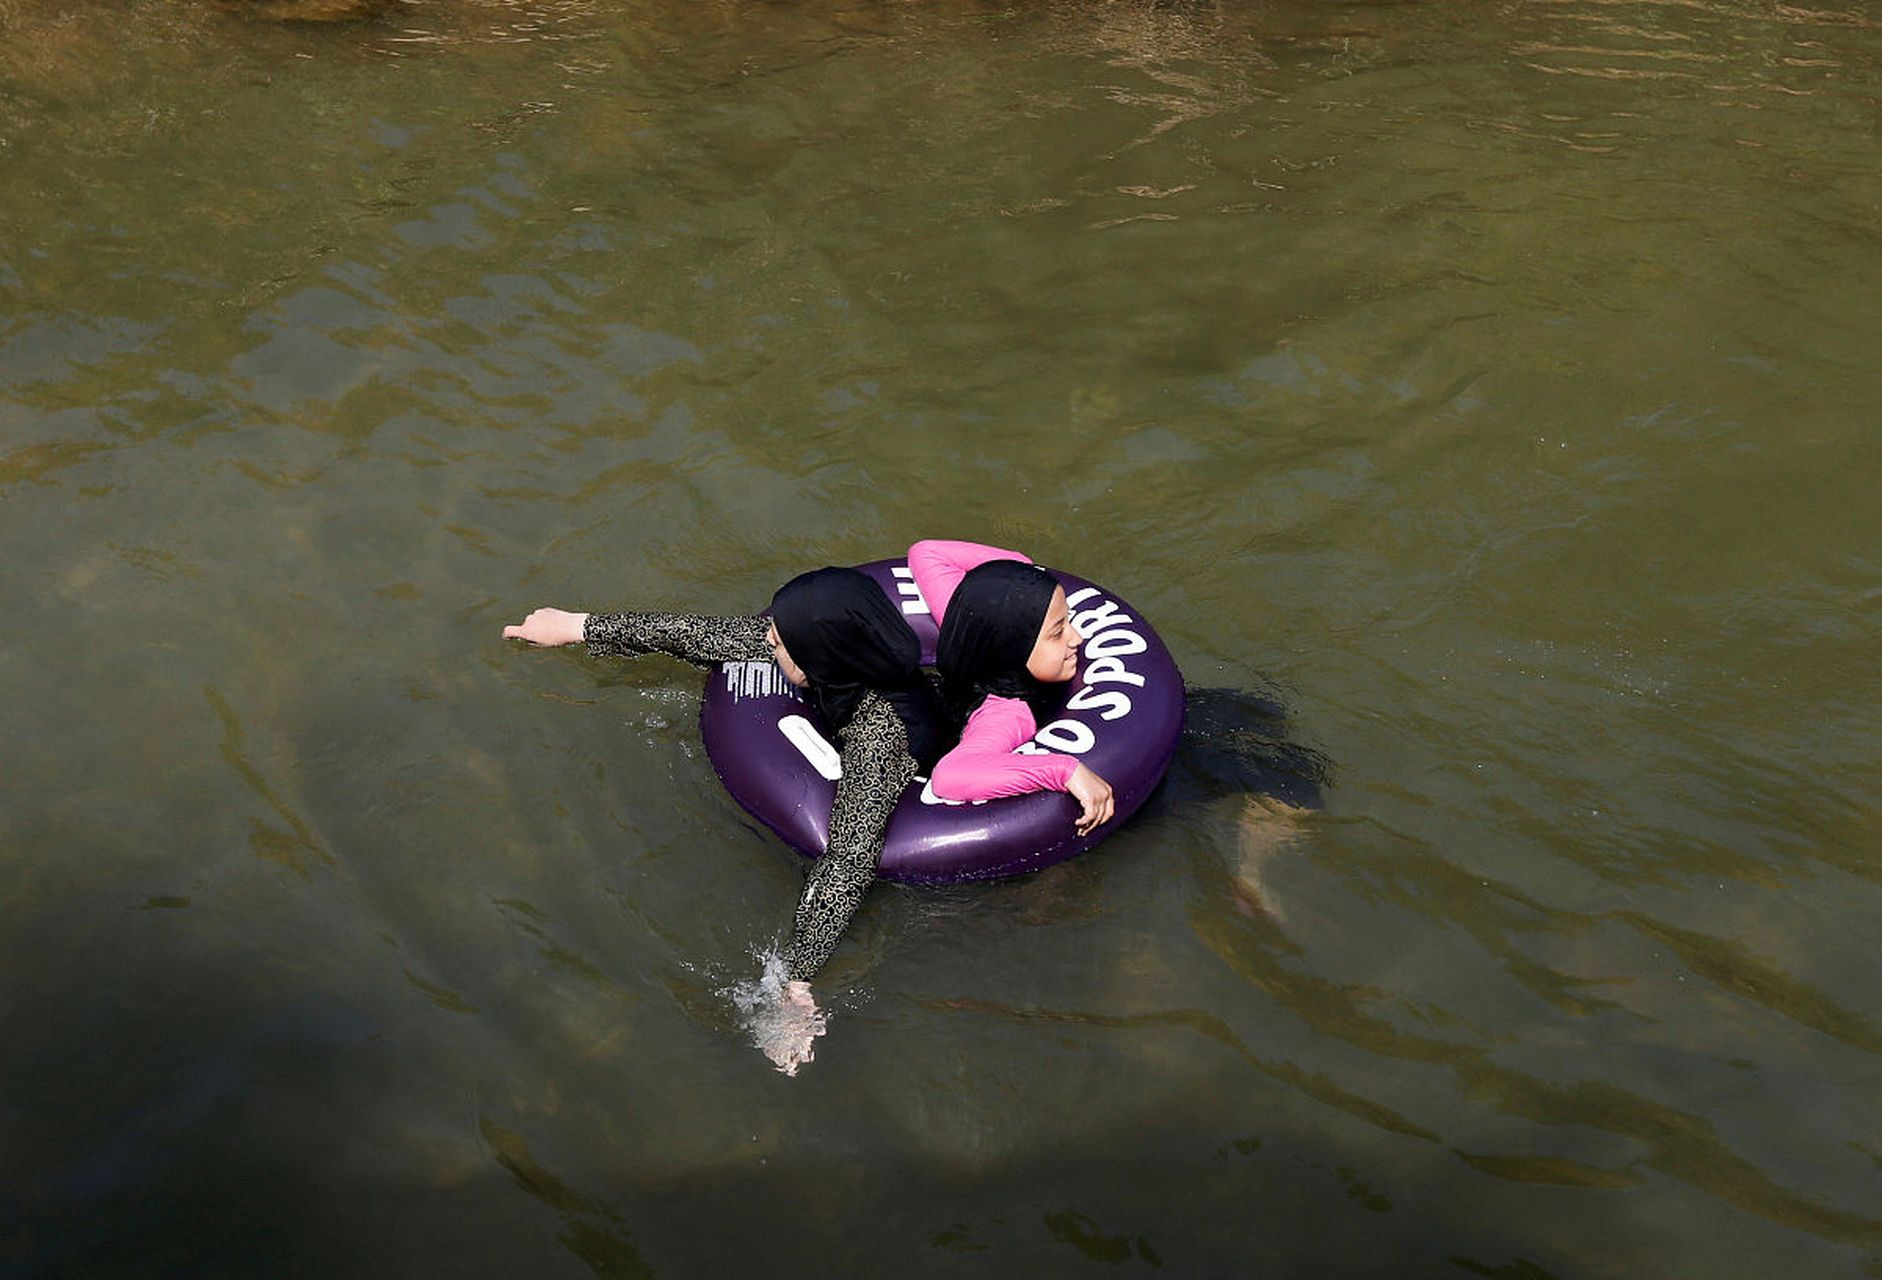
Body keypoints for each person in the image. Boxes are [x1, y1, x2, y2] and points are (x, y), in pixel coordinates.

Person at [502, 567, 948, 1076]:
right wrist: (580, 626)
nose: (768, 646)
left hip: (923, 792)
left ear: (820, 657)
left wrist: (796, 982)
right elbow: (703, 635)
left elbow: (849, 858)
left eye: (780, 643)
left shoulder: (880, 736)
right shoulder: (844, 652)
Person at [906, 539, 1116, 835]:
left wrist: (1021, 573)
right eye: (1058, 632)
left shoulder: (973, 623)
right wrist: (1064, 770)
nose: (1076, 638)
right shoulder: (1007, 714)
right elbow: (949, 775)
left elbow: (926, 552)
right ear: (1014, 647)